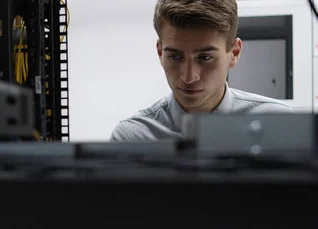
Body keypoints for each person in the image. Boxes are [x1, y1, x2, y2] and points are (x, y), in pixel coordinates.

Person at [110, 0, 293, 141]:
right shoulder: (132, 137)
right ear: (160, 52)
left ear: (234, 53)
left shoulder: (279, 125)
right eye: (175, 57)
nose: (189, 77)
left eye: (205, 58)